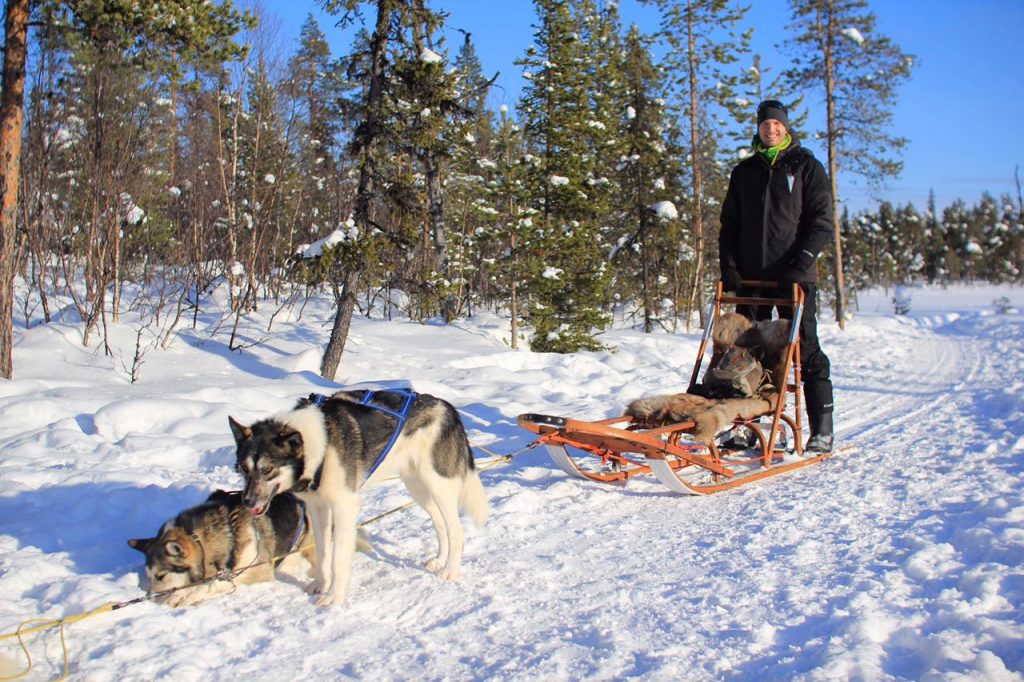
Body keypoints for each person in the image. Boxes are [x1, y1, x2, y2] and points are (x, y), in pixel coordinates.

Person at [718, 99, 835, 454]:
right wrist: (730, 266)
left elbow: (821, 222)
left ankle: (822, 430)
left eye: (777, 124)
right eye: (765, 124)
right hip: (752, 280)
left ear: (786, 128)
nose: (771, 129)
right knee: (744, 355)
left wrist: (800, 263)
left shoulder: (806, 167)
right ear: (758, 127)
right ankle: (744, 427)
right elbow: (730, 225)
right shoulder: (745, 172)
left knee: (804, 351)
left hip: (794, 279)